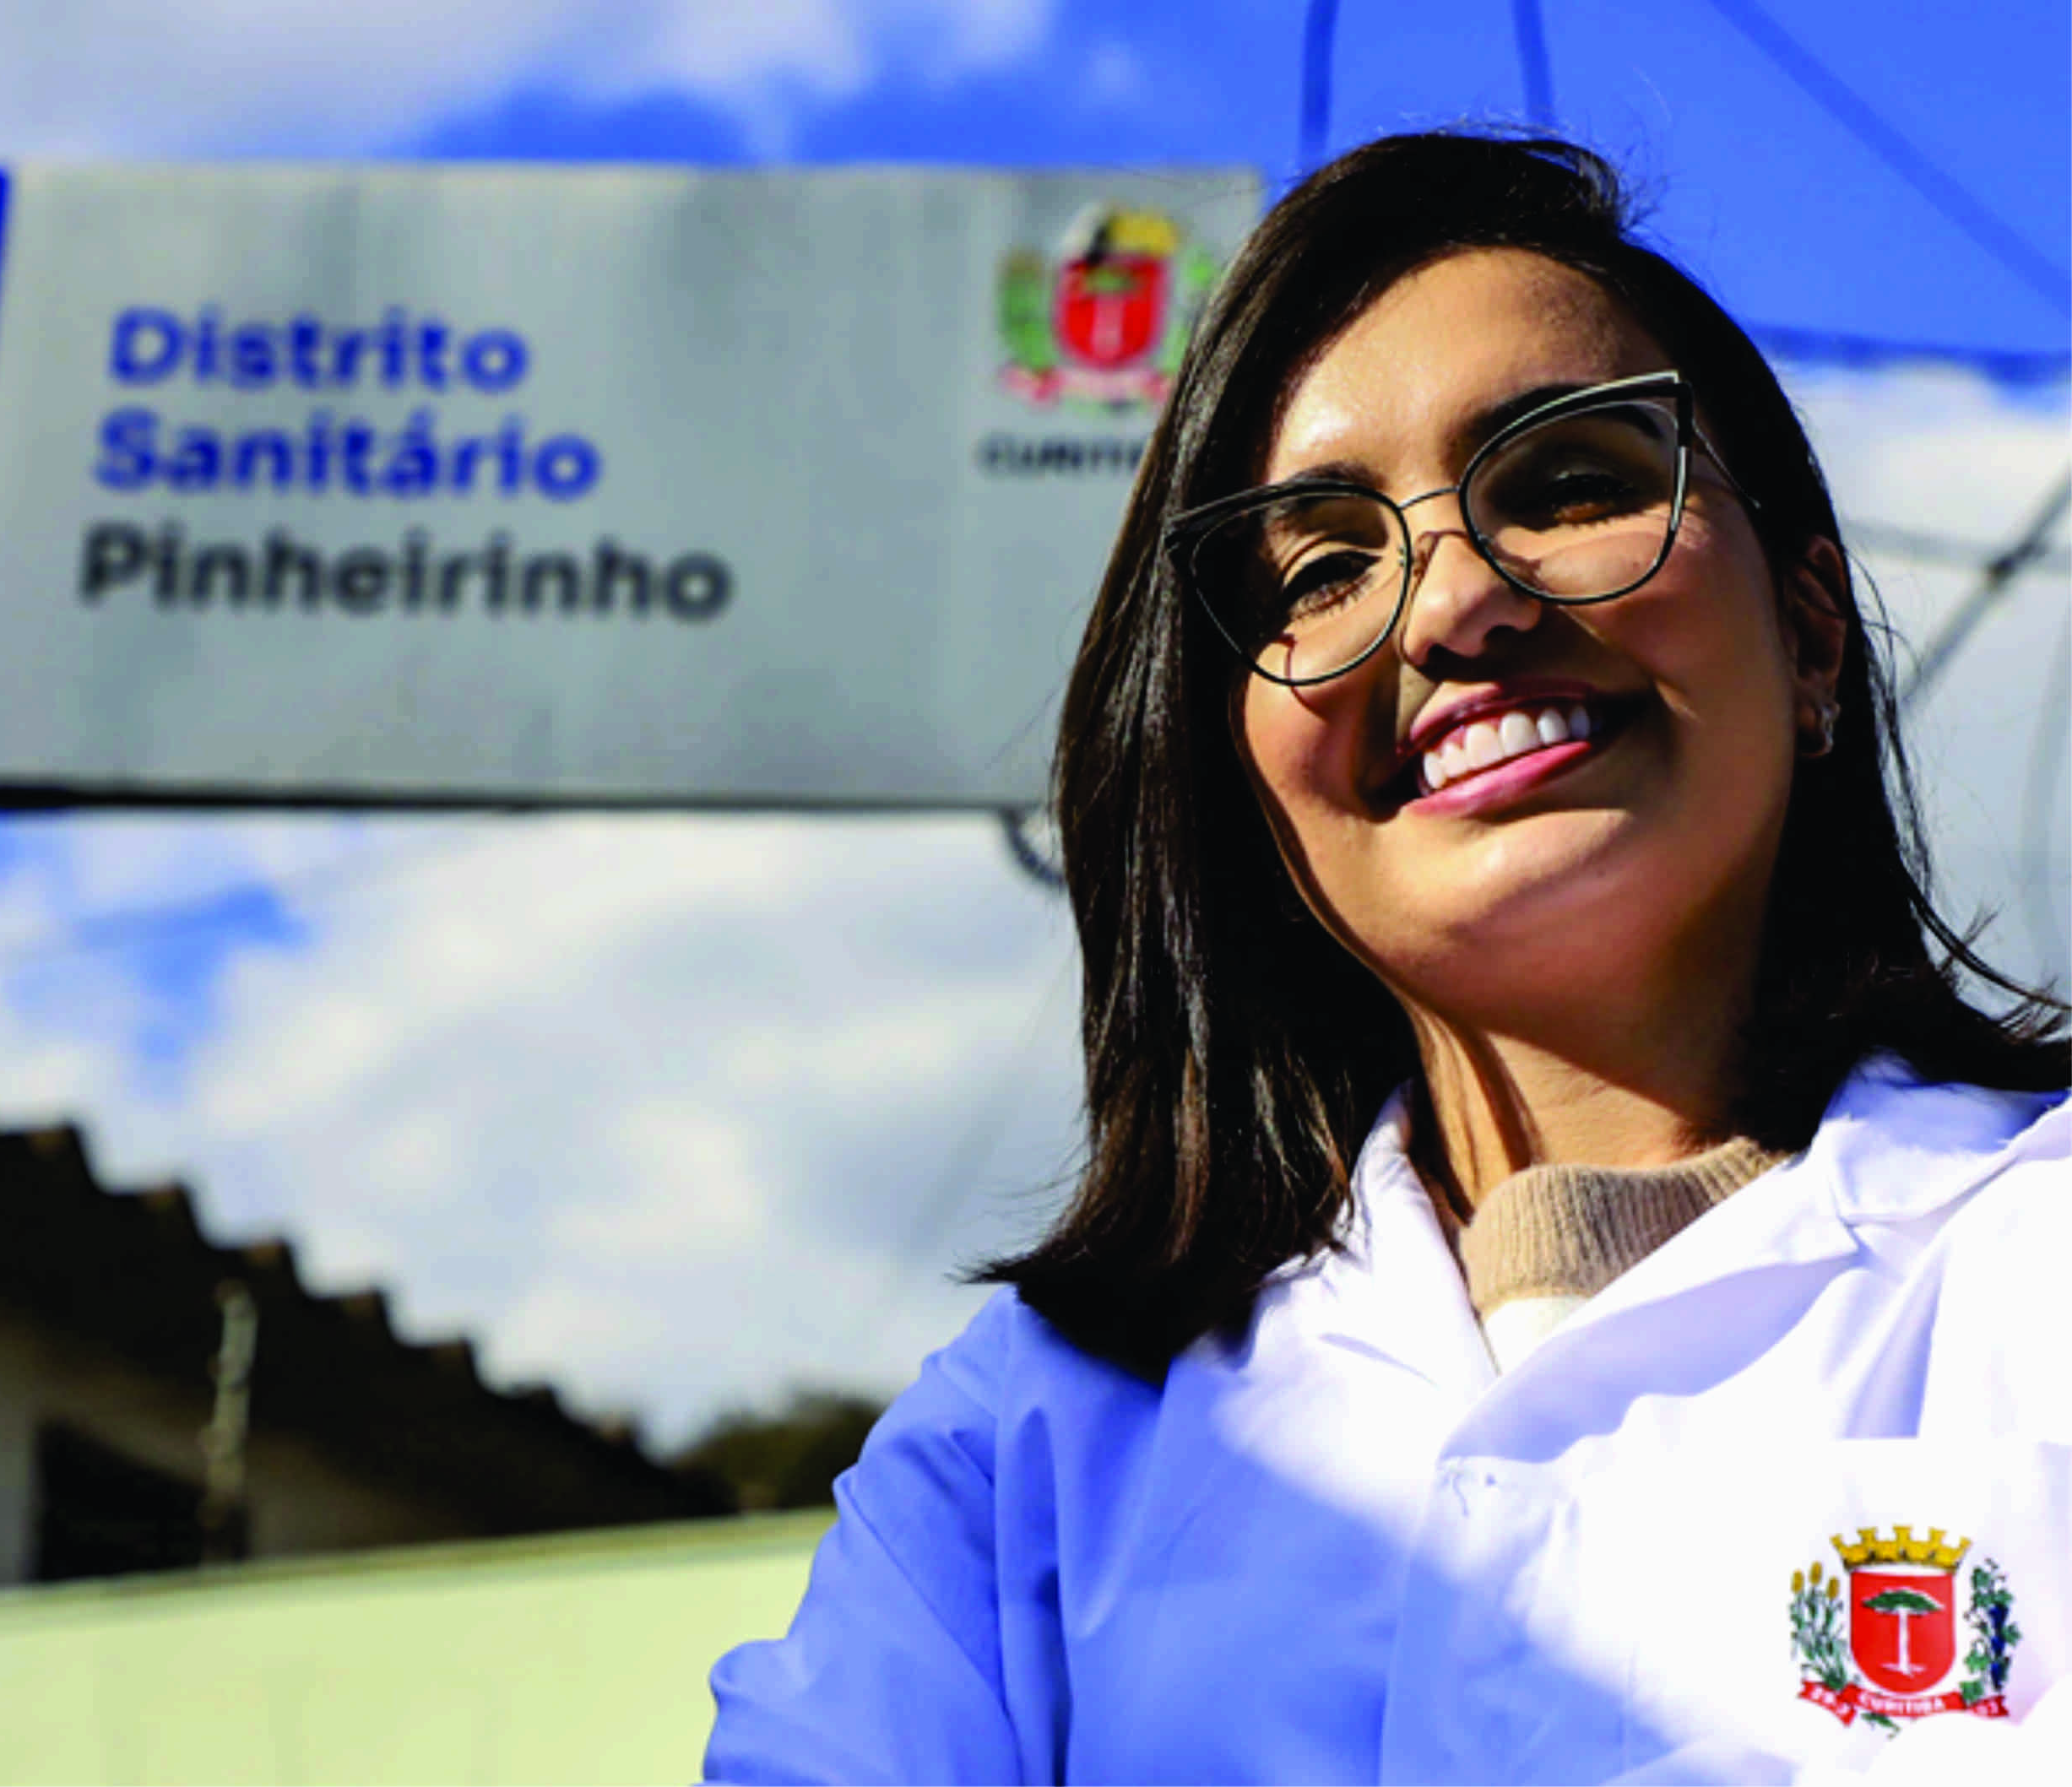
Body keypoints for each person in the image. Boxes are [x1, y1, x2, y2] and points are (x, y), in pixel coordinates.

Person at [703, 131, 2071, 1785]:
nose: (1450, 607)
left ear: (1813, 635)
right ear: (1237, 777)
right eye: (1322, 568)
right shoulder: (1028, 1445)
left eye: (1570, 485)